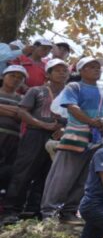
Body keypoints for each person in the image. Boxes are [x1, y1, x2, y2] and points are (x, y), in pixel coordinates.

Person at [41, 57, 103, 224]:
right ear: (82, 70)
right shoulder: (74, 86)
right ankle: (49, 212)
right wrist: (91, 121)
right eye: (91, 67)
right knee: (63, 176)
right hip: (75, 135)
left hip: (96, 139)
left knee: (84, 178)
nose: (96, 69)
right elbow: (72, 106)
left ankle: (69, 211)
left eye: (98, 67)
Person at [1, 59, 68, 224]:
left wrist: (63, 129)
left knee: (48, 174)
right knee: (23, 172)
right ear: (48, 74)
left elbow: (72, 116)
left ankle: (34, 210)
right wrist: (41, 124)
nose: (62, 73)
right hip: (34, 134)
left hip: (58, 137)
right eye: (57, 70)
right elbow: (23, 112)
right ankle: (11, 210)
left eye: (64, 70)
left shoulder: (70, 94)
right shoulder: (36, 90)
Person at [0, 65, 25, 189]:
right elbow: (17, 112)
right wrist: (15, 110)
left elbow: (21, 115)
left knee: (5, 170)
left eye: (20, 78)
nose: (15, 79)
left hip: (12, 139)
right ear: (3, 77)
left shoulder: (23, 99)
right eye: (12, 76)